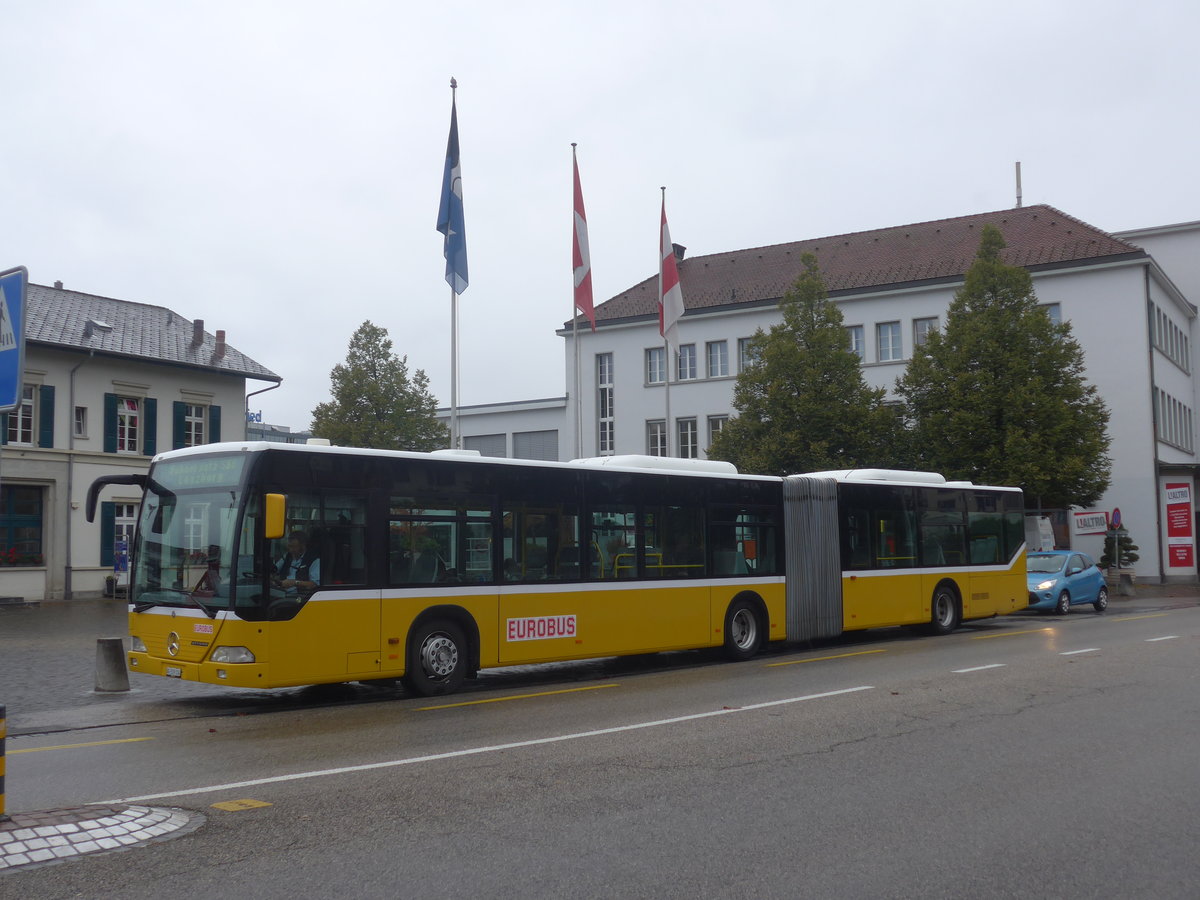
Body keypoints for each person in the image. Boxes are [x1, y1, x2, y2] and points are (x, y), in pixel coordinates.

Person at [274, 531, 321, 596]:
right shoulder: (287, 556)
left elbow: (314, 585)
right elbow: (275, 569)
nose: (290, 550)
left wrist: (294, 583)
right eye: (289, 546)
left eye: (293, 547)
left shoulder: (314, 560)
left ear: (303, 546)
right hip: (282, 593)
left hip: (300, 596)